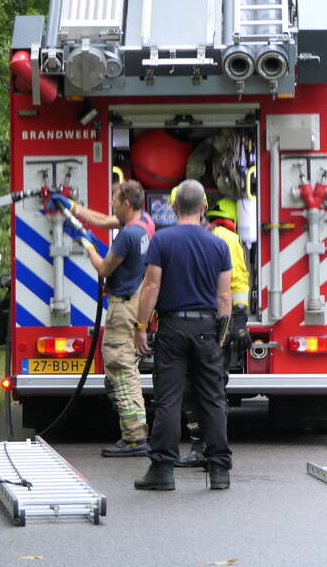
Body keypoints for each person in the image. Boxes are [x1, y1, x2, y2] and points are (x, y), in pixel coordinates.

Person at [132, 179, 233, 490]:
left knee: (168, 400)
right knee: (212, 399)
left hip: (172, 328)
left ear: (174, 207)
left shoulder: (162, 241)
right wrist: (221, 334)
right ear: (204, 207)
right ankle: (219, 472)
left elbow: (151, 287)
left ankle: (162, 471)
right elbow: (225, 297)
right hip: (206, 329)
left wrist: (140, 326)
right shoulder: (219, 244)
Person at [58, 180, 154, 457]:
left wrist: (86, 243)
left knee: (120, 367)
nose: (111, 205)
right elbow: (104, 220)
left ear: (126, 204)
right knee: (127, 369)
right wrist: (73, 208)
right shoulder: (144, 221)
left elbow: (103, 267)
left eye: (115, 201)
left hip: (123, 307)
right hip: (134, 301)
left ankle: (135, 438)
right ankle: (135, 433)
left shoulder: (127, 237)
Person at [176, 197, 251, 468]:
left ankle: (202, 447)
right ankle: (208, 449)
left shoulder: (205, 237)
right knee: (211, 389)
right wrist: (238, 321)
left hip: (199, 325)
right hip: (216, 326)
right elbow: (239, 283)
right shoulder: (226, 239)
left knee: (195, 390)